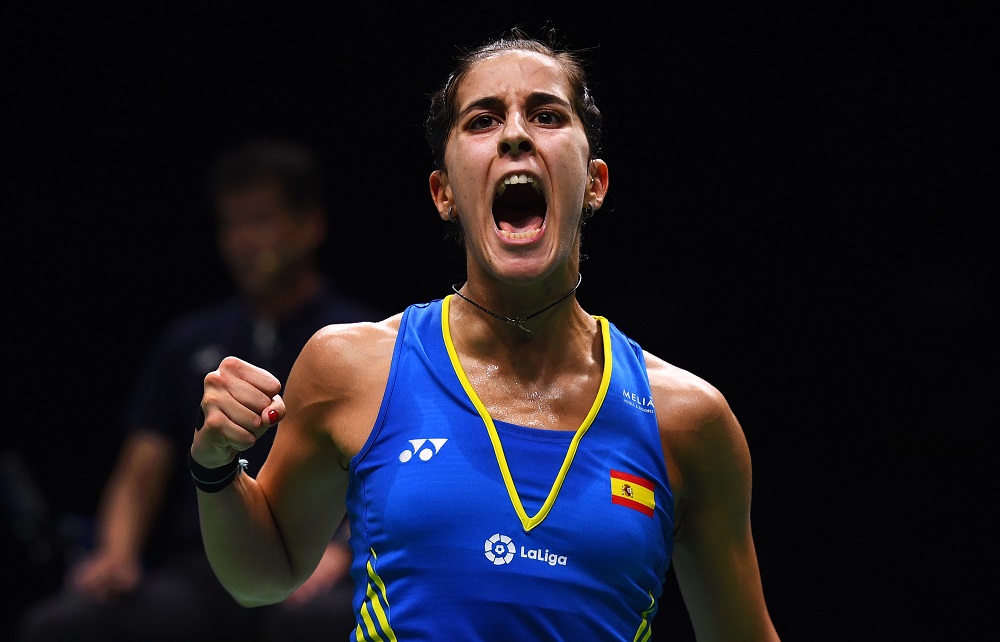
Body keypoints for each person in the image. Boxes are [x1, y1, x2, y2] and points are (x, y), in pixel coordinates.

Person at [189, 29, 780, 641]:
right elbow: (262, 578)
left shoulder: (687, 419)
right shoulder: (351, 367)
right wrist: (216, 468)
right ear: (444, 192)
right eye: (483, 120)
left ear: (595, 183)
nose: (516, 134)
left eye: (548, 115)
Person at [17, 138, 384, 642]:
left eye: (260, 220)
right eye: (230, 224)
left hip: (318, 565)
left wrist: (341, 552)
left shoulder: (361, 340)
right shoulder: (187, 341)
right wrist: (116, 555)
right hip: (205, 569)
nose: (242, 241)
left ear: (310, 225)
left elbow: (386, 474)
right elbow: (139, 470)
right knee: (62, 626)